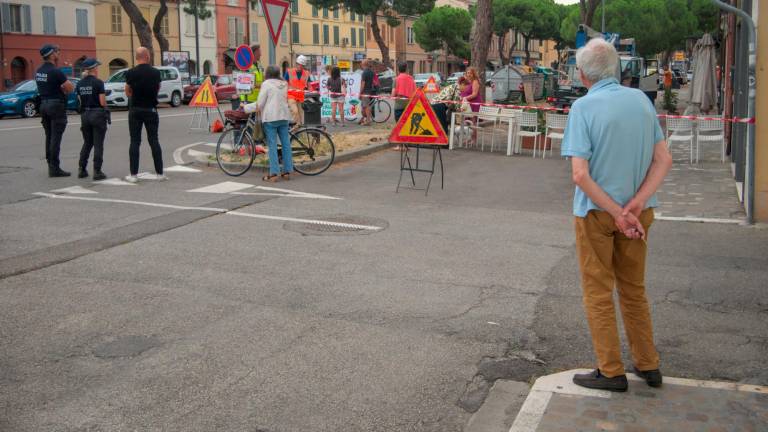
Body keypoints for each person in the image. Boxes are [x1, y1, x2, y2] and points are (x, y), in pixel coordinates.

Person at [561, 38, 673, 392]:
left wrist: (615, 212)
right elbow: (663, 160)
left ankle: (610, 370)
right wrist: (635, 205)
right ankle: (648, 364)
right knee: (633, 289)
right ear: (617, 69)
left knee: (598, 291)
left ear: (582, 74)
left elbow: (580, 174)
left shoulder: (583, 107)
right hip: (638, 214)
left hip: (596, 213)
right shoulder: (641, 100)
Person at [244, 66, 293, 182]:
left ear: (268, 74)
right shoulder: (284, 84)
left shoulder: (266, 84)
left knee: (272, 146)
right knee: (286, 144)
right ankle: (287, 171)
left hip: (271, 118)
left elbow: (260, 104)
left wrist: (245, 107)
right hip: (284, 117)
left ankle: (274, 173)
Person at [124, 47, 166, 183]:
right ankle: (160, 173)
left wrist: (135, 96)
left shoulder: (130, 73)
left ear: (137, 57)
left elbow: (127, 91)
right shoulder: (155, 73)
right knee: (154, 140)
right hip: (151, 109)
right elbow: (158, 88)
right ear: (147, 56)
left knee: (135, 141)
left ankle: (134, 175)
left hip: (135, 109)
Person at [35, 44, 75, 177]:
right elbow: (70, 88)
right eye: (57, 52)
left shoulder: (39, 71)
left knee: (49, 136)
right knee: (55, 138)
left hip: (44, 105)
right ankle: (54, 168)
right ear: (51, 54)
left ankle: (50, 164)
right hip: (55, 105)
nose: (58, 53)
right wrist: (63, 88)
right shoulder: (55, 71)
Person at [76, 58, 109, 181]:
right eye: (97, 67)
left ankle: (82, 168)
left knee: (87, 142)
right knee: (98, 144)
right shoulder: (98, 82)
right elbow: (102, 102)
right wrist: (106, 108)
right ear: (94, 68)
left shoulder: (80, 83)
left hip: (85, 115)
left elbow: (80, 101)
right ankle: (97, 171)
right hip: (97, 114)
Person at [285, 55, 310, 128]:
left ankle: (297, 131)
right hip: (291, 96)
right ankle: (294, 128)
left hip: (300, 97)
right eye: (299, 64)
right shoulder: (289, 72)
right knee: (295, 111)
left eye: (302, 65)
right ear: (296, 64)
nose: (300, 66)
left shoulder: (306, 73)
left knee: (300, 115)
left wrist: (311, 91)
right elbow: (284, 83)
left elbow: (309, 85)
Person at [461, 67, 482, 145]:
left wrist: (465, 98)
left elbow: (474, 94)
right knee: (467, 122)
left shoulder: (475, 81)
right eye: (467, 73)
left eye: (470, 73)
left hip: (474, 104)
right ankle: (470, 138)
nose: (468, 74)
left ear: (473, 74)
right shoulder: (468, 82)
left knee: (473, 122)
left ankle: (474, 140)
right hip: (468, 104)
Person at [359, 59, 376, 125]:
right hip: (370, 90)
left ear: (363, 65)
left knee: (366, 106)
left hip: (365, 91)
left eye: (361, 64)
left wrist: (360, 92)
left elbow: (363, 84)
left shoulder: (364, 72)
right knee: (364, 106)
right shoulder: (371, 72)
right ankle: (364, 119)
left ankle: (368, 120)